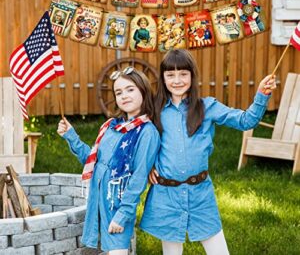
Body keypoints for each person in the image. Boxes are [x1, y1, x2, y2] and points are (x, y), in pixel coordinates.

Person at [140, 49, 276, 255]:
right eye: (170, 75)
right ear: (163, 78)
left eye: (183, 74)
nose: (177, 80)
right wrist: (149, 165)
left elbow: (246, 120)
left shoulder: (208, 107)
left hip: (200, 194)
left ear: (192, 76)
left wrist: (261, 95)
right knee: (171, 252)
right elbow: (141, 142)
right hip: (165, 195)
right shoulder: (154, 109)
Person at [57, 67, 160, 254]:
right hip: (98, 200)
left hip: (117, 203)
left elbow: (138, 178)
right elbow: (93, 162)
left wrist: (123, 214)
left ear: (143, 90)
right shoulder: (112, 127)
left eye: (130, 89)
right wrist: (71, 136)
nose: (124, 96)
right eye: (118, 92)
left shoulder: (146, 132)